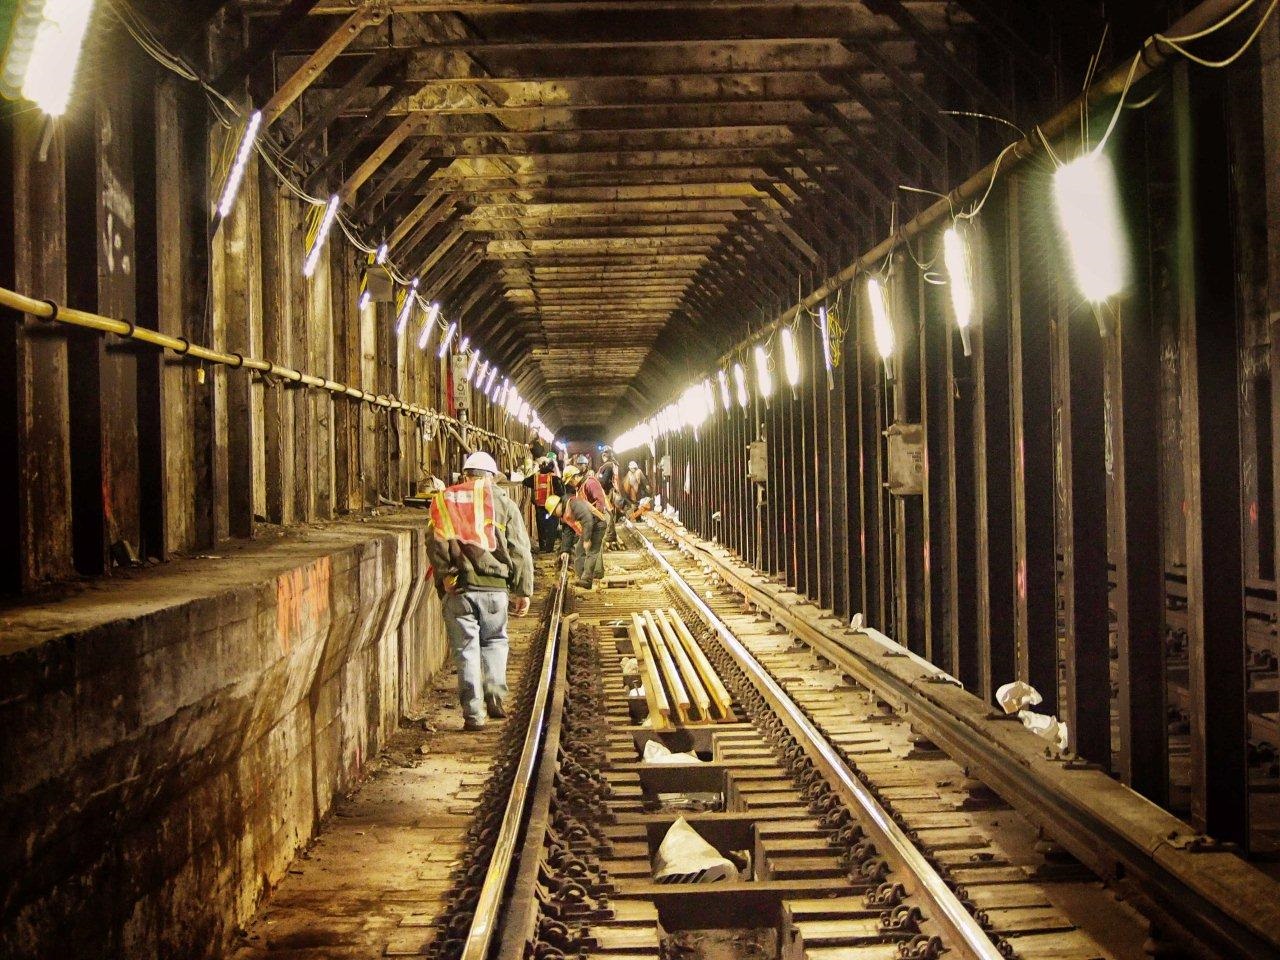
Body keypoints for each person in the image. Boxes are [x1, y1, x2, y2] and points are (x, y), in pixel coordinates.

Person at [425, 450, 534, 731]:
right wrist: (523, 590)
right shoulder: (503, 502)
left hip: (459, 588)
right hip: (495, 589)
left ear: (465, 475)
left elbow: (435, 542)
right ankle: (495, 696)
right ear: (492, 477)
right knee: (496, 641)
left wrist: (445, 575)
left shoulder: (445, 499)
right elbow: (519, 548)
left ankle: (474, 715)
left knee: (466, 651)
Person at [545, 489, 604, 590]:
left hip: (597, 525)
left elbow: (588, 518)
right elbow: (568, 532)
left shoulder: (573, 504)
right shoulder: (566, 512)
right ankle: (582, 578)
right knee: (579, 551)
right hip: (589, 527)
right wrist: (565, 550)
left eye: (554, 513)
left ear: (558, 506)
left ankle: (587, 580)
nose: (555, 515)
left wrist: (586, 539)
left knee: (591, 552)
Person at [522, 455, 564, 553]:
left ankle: (542, 547)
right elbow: (562, 492)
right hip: (552, 508)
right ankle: (549, 549)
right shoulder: (555, 478)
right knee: (552, 527)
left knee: (541, 527)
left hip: (540, 508)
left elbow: (525, 482)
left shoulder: (535, 477)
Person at [597, 446, 622, 549]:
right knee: (610, 513)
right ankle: (611, 535)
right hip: (613, 490)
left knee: (608, 513)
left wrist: (597, 479)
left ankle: (610, 536)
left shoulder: (607, 466)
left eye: (604, 453)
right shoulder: (614, 464)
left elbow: (603, 481)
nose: (603, 455)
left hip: (607, 492)